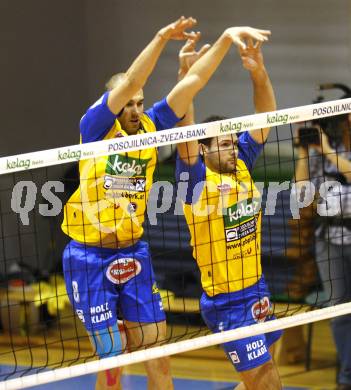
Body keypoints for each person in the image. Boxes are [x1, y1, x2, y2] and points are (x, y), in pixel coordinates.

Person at [60, 15, 271, 390]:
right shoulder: (94, 129)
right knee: (112, 358)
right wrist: (160, 37)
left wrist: (224, 38)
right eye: (128, 104)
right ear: (115, 104)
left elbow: (194, 84)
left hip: (133, 253)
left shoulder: (152, 127)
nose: (136, 109)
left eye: (140, 103)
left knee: (158, 353)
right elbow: (131, 82)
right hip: (89, 257)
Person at [176, 37, 283, 389]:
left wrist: (259, 73)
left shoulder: (240, 166)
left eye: (233, 142)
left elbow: (266, 115)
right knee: (268, 384)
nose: (232, 147)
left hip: (257, 287)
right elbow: (184, 133)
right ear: (202, 148)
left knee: (270, 372)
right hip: (228, 301)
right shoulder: (194, 181)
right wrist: (187, 76)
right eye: (224, 143)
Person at [294, 111, 351, 390]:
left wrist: (327, 150)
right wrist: (303, 151)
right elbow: (302, 196)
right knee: (339, 310)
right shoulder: (318, 151)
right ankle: (346, 377)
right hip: (329, 238)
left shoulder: (331, 149)